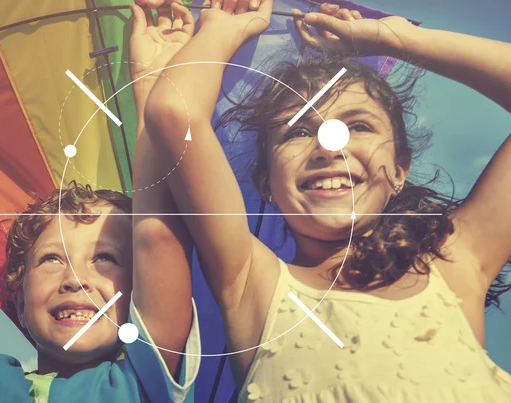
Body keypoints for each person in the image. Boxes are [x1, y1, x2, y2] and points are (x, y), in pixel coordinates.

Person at [143, 1, 511, 401]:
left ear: (400, 169)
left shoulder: (459, 263)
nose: (328, 145)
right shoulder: (250, 282)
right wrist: (224, 29)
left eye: (357, 125)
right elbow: (173, 110)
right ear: (265, 181)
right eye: (298, 131)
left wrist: (396, 39)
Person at [0, 2, 200, 402]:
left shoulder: (145, 384)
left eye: (105, 258)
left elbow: (158, 235)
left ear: (143, 289)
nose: (74, 278)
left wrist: (152, 83)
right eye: (51, 259)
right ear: (17, 289)